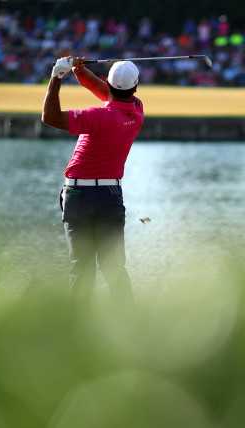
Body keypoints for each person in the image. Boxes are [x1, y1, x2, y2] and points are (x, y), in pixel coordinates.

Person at [41, 56, 145, 302]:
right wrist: (80, 70)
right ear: (136, 88)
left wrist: (56, 78)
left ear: (109, 84)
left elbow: (50, 116)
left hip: (78, 196)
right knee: (114, 268)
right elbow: (108, 92)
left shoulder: (97, 117)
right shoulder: (137, 110)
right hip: (110, 196)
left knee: (82, 268)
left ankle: (78, 330)